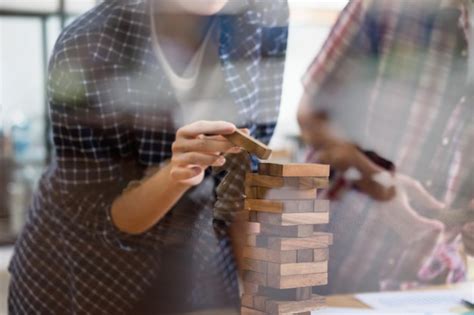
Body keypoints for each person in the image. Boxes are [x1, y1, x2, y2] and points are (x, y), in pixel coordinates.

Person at [8, 0, 289, 314]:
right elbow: (106, 217)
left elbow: (243, 177)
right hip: (90, 268)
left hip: (197, 258)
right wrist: (176, 172)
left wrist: (263, 295)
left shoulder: (264, 12)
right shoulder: (91, 41)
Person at [298, 0, 473, 294]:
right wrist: (379, 183)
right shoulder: (380, 7)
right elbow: (312, 119)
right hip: (329, 261)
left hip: (430, 283)